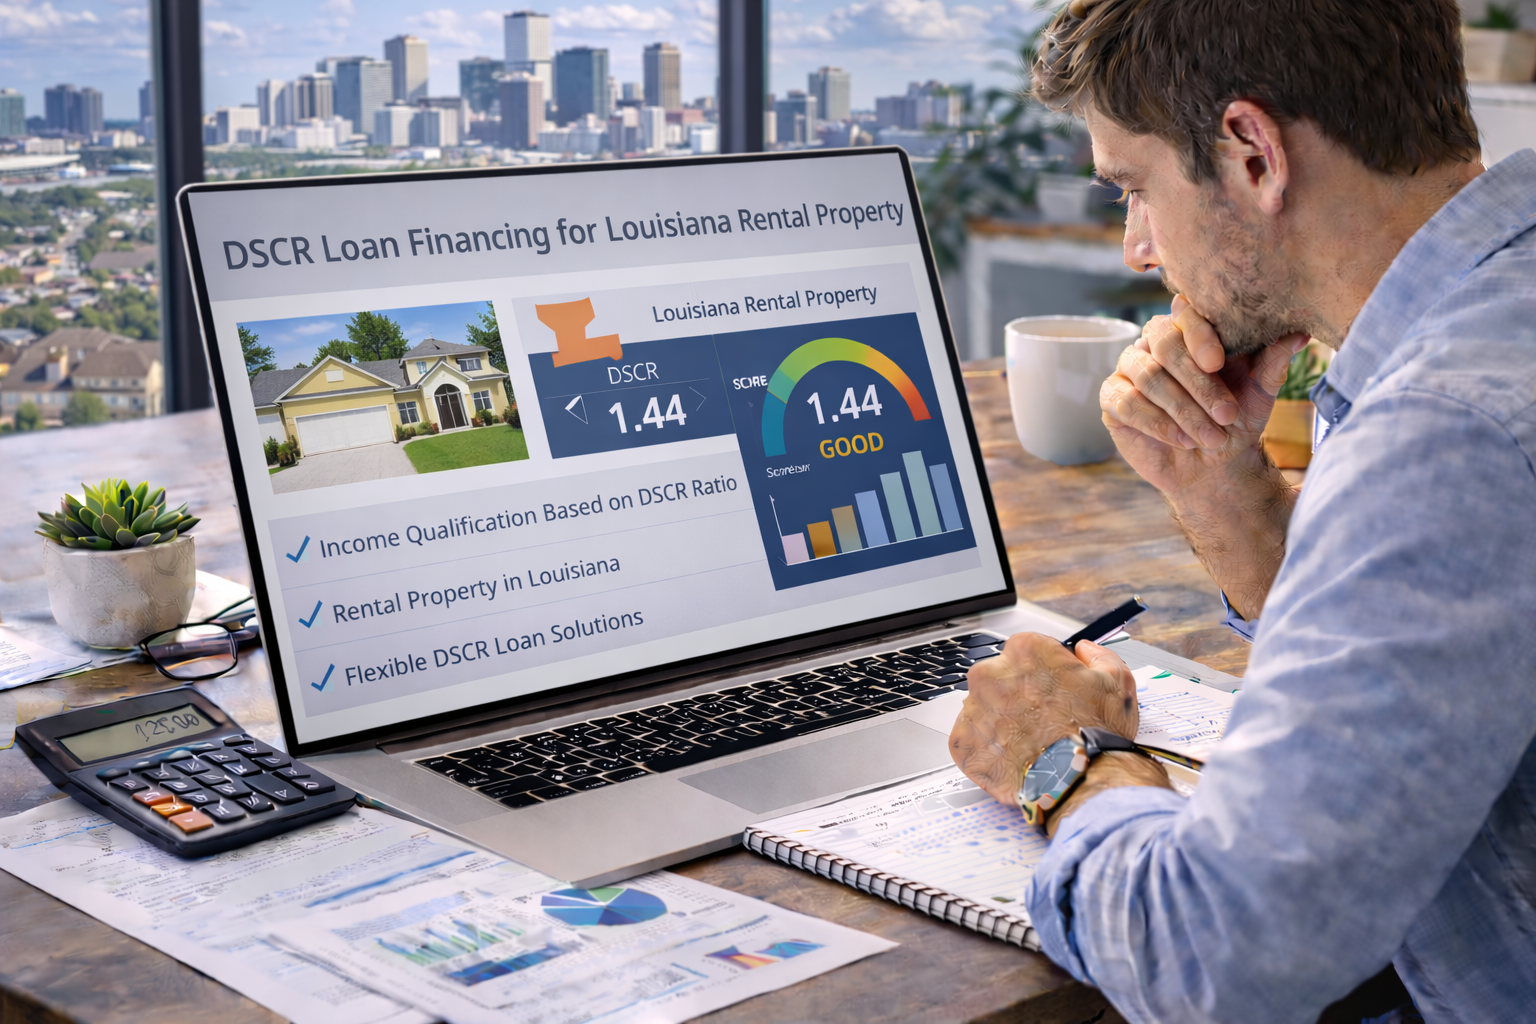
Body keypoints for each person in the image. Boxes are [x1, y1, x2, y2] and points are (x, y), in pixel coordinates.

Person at [947, 0, 1536, 1020]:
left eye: (1136, 188)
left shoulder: (1445, 432)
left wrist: (1065, 758)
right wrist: (1227, 495)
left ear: (1251, 152)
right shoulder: (1492, 321)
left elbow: (1220, 962)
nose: (1137, 247)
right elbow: (1441, 658)